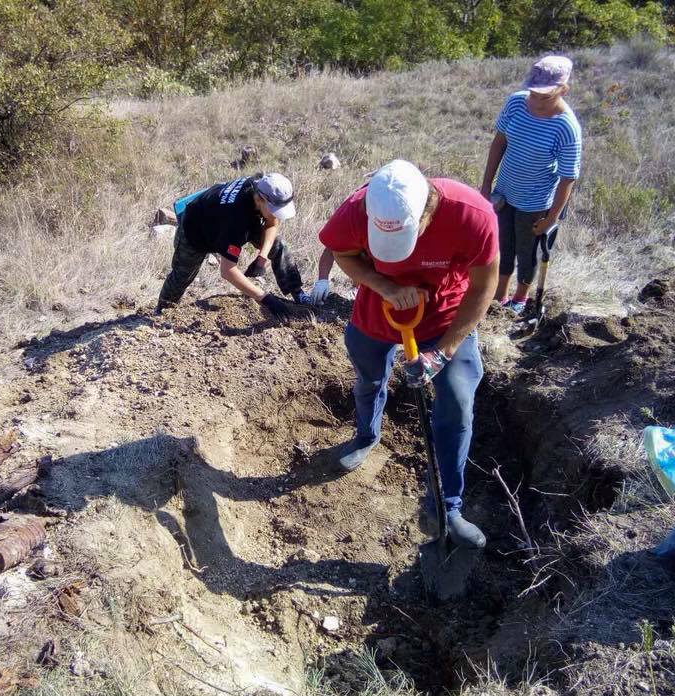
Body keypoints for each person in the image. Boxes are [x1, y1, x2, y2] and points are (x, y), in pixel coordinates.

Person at [318, 160, 499, 549]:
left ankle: (448, 506)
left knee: (456, 401)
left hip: (446, 316)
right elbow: (341, 251)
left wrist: (443, 352)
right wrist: (382, 284)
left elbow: (485, 285)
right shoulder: (358, 208)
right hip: (379, 308)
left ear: (426, 211)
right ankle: (367, 436)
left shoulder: (471, 215)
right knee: (368, 377)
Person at [480, 55, 582, 315]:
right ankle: (499, 295)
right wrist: (486, 185)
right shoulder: (515, 103)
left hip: (535, 203)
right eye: (533, 94)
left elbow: (567, 178)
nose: (536, 101)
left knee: (527, 252)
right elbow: (499, 142)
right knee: (502, 246)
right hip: (503, 193)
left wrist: (551, 219)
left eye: (545, 97)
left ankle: (520, 298)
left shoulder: (566, 127)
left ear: (563, 90)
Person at [156, 173, 311, 321]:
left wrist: (262, 257)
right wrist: (265, 298)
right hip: (195, 228)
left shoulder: (262, 185)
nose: (276, 214)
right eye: (274, 210)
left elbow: (272, 222)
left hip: (229, 217)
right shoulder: (236, 221)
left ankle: (297, 293)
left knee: (279, 246)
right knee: (182, 276)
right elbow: (227, 271)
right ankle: (161, 312)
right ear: (260, 199)